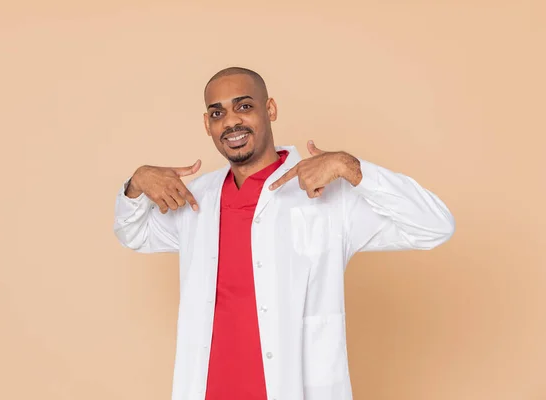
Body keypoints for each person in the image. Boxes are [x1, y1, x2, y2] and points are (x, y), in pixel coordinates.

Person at [113, 67, 455, 400]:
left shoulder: (328, 196)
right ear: (207, 124)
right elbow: (135, 234)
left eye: (244, 106)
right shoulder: (197, 198)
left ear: (270, 109)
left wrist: (353, 169)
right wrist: (135, 184)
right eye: (217, 113)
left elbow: (434, 225)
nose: (231, 121)